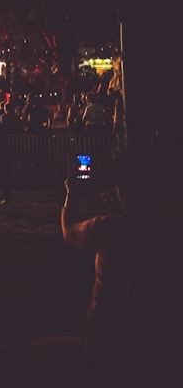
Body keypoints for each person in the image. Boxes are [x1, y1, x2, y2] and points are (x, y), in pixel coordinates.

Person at [61, 150, 178, 386]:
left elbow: (69, 232)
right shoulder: (172, 229)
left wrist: (71, 193)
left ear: (120, 190)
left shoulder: (106, 228)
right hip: (159, 326)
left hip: (109, 326)